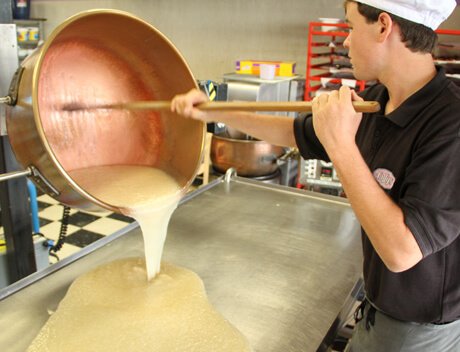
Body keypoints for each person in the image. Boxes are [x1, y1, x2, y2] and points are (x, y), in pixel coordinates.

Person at [171, 0, 460, 350]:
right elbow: (295, 133)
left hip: (417, 335)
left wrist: (340, 144)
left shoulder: (450, 123)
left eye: (351, 27)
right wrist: (215, 113)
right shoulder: (379, 99)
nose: (345, 42)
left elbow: (401, 251)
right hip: (376, 313)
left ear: (384, 26)